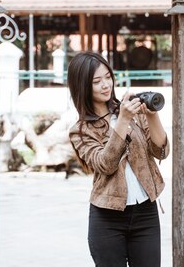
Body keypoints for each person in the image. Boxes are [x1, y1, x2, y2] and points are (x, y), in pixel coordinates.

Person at [67, 51, 169, 267]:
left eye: (108, 77)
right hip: (107, 218)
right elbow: (106, 164)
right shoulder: (81, 130)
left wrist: (151, 115)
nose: (106, 85)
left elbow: (161, 152)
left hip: (145, 212)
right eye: (97, 81)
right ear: (82, 85)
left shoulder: (133, 111)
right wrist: (122, 120)